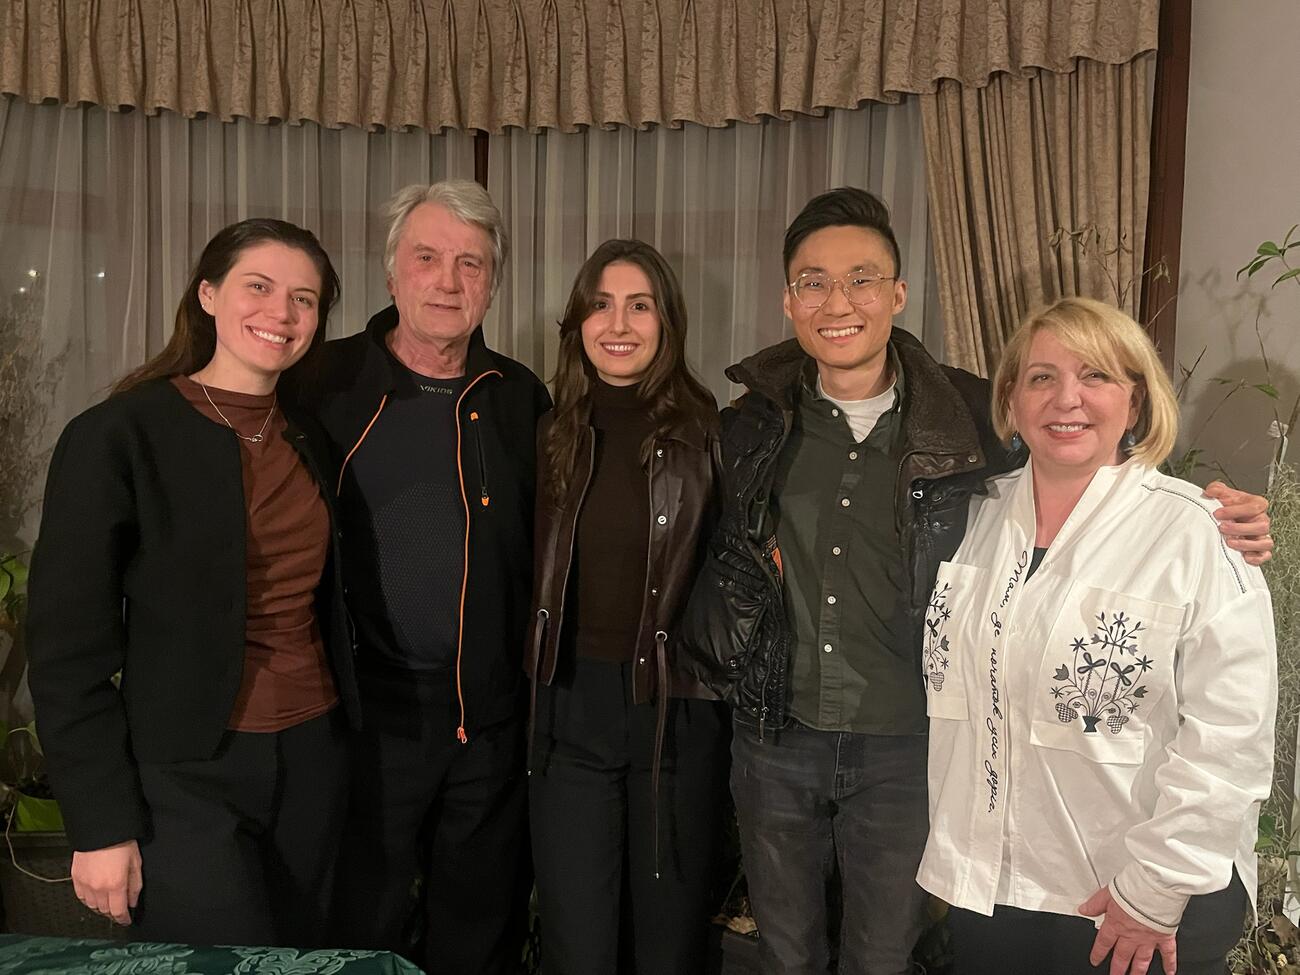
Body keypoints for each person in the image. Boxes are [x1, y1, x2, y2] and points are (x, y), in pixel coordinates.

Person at [678, 187, 1274, 975]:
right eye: (814, 281)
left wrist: (1221, 515)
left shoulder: (963, 433)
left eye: (862, 278)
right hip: (787, 741)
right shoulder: (751, 423)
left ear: (898, 293)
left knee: (884, 955)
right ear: (788, 299)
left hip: (910, 751)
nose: (839, 301)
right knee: (784, 952)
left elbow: (1229, 731)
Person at [917, 296, 1276, 975]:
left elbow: (1232, 737)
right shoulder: (967, 518)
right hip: (995, 890)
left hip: (1134, 901)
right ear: (1012, 401)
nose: (1067, 398)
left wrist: (1155, 889)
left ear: (1135, 403)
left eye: (1097, 376)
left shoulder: (1198, 534)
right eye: (1042, 377)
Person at [26, 218, 359, 947]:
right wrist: (100, 823)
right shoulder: (118, 435)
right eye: (260, 287)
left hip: (313, 760)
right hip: (182, 775)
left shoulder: (309, 436)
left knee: (304, 963)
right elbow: (64, 650)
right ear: (208, 294)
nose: (282, 313)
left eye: (304, 300)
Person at [290, 180, 549, 974]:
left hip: (486, 720)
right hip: (364, 719)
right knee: (354, 926)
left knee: (478, 931)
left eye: (470, 263)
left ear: (493, 282)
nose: (448, 280)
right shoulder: (321, 385)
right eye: (428, 257)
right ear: (392, 271)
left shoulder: (522, 398)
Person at [524, 239, 731, 974]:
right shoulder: (551, 433)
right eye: (601, 304)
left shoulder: (713, 434)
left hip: (674, 718)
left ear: (667, 321)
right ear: (578, 321)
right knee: (577, 945)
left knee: (667, 948)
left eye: (639, 304)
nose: (619, 323)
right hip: (567, 710)